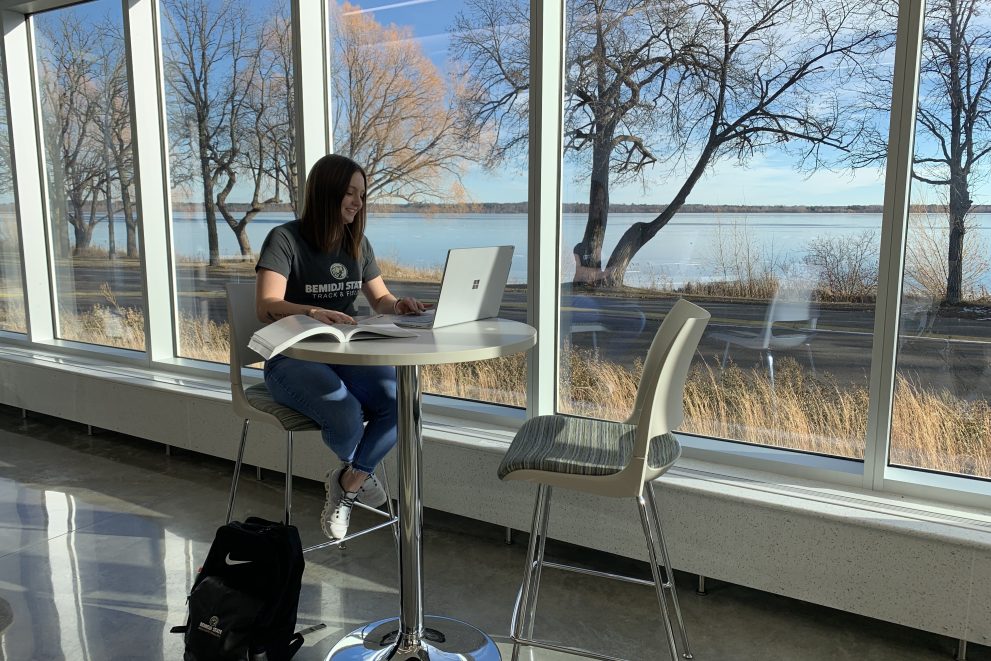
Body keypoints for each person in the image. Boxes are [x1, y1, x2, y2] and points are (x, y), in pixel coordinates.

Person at [254, 154, 429, 540]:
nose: (357, 202)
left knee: (402, 402)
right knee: (347, 414)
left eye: (361, 195)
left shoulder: (357, 243)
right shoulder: (285, 239)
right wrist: (312, 310)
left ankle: (347, 483)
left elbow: (381, 300)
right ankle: (359, 470)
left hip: (345, 354)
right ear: (325, 193)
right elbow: (267, 305)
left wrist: (399, 305)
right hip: (291, 357)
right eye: (349, 193)